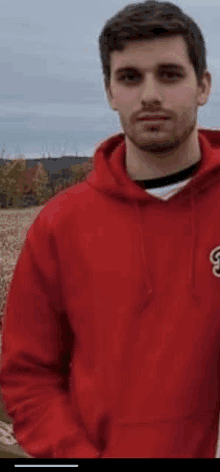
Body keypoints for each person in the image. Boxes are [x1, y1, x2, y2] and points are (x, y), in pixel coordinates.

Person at [0, 0, 220, 459]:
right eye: (130, 78)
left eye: (170, 74)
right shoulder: (61, 225)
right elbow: (29, 375)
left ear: (203, 86)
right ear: (109, 92)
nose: (150, 95)